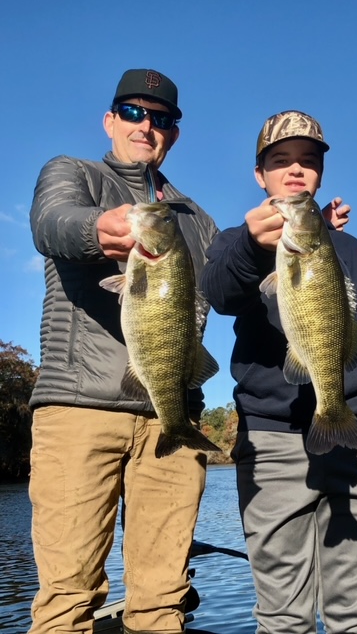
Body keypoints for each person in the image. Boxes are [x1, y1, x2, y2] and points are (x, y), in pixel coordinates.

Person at [200, 110, 357, 634]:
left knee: (354, 613)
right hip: (272, 446)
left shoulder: (347, 248)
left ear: (320, 174)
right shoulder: (238, 243)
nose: (294, 170)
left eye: (307, 161)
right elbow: (220, 294)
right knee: (282, 617)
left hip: (356, 439)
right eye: (280, 161)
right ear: (260, 175)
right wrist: (254, 248)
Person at [28, 68, 219, 634]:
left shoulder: (197, 218)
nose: (146, 125)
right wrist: (97, 229)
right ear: (110, 120)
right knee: (67, 599)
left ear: (174, 135)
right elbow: (52, 222)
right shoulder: (73, 173)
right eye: (133, 113)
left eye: (160, 118)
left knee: (163, 602)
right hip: (79, 410)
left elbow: (220, 294)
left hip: (172, 417)